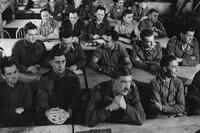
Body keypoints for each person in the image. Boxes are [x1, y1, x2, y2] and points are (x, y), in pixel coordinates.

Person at [35, 44, 81, 125]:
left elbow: (75, 99)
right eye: (57, 62)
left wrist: (68, 113)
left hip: (68, 117)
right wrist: (47, 112)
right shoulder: (44, 79)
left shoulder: (73, 78)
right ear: (50, 62)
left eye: (63, 62)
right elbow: (42, 99)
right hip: (50, 117)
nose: (61, 66)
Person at [0, 57, 33, 127]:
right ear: (3, 76)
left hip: (21, 126)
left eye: (15, 72)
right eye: (9, 74)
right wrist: (14, 111)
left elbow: (28, 111)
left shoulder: (26, 88)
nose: (13, 76)